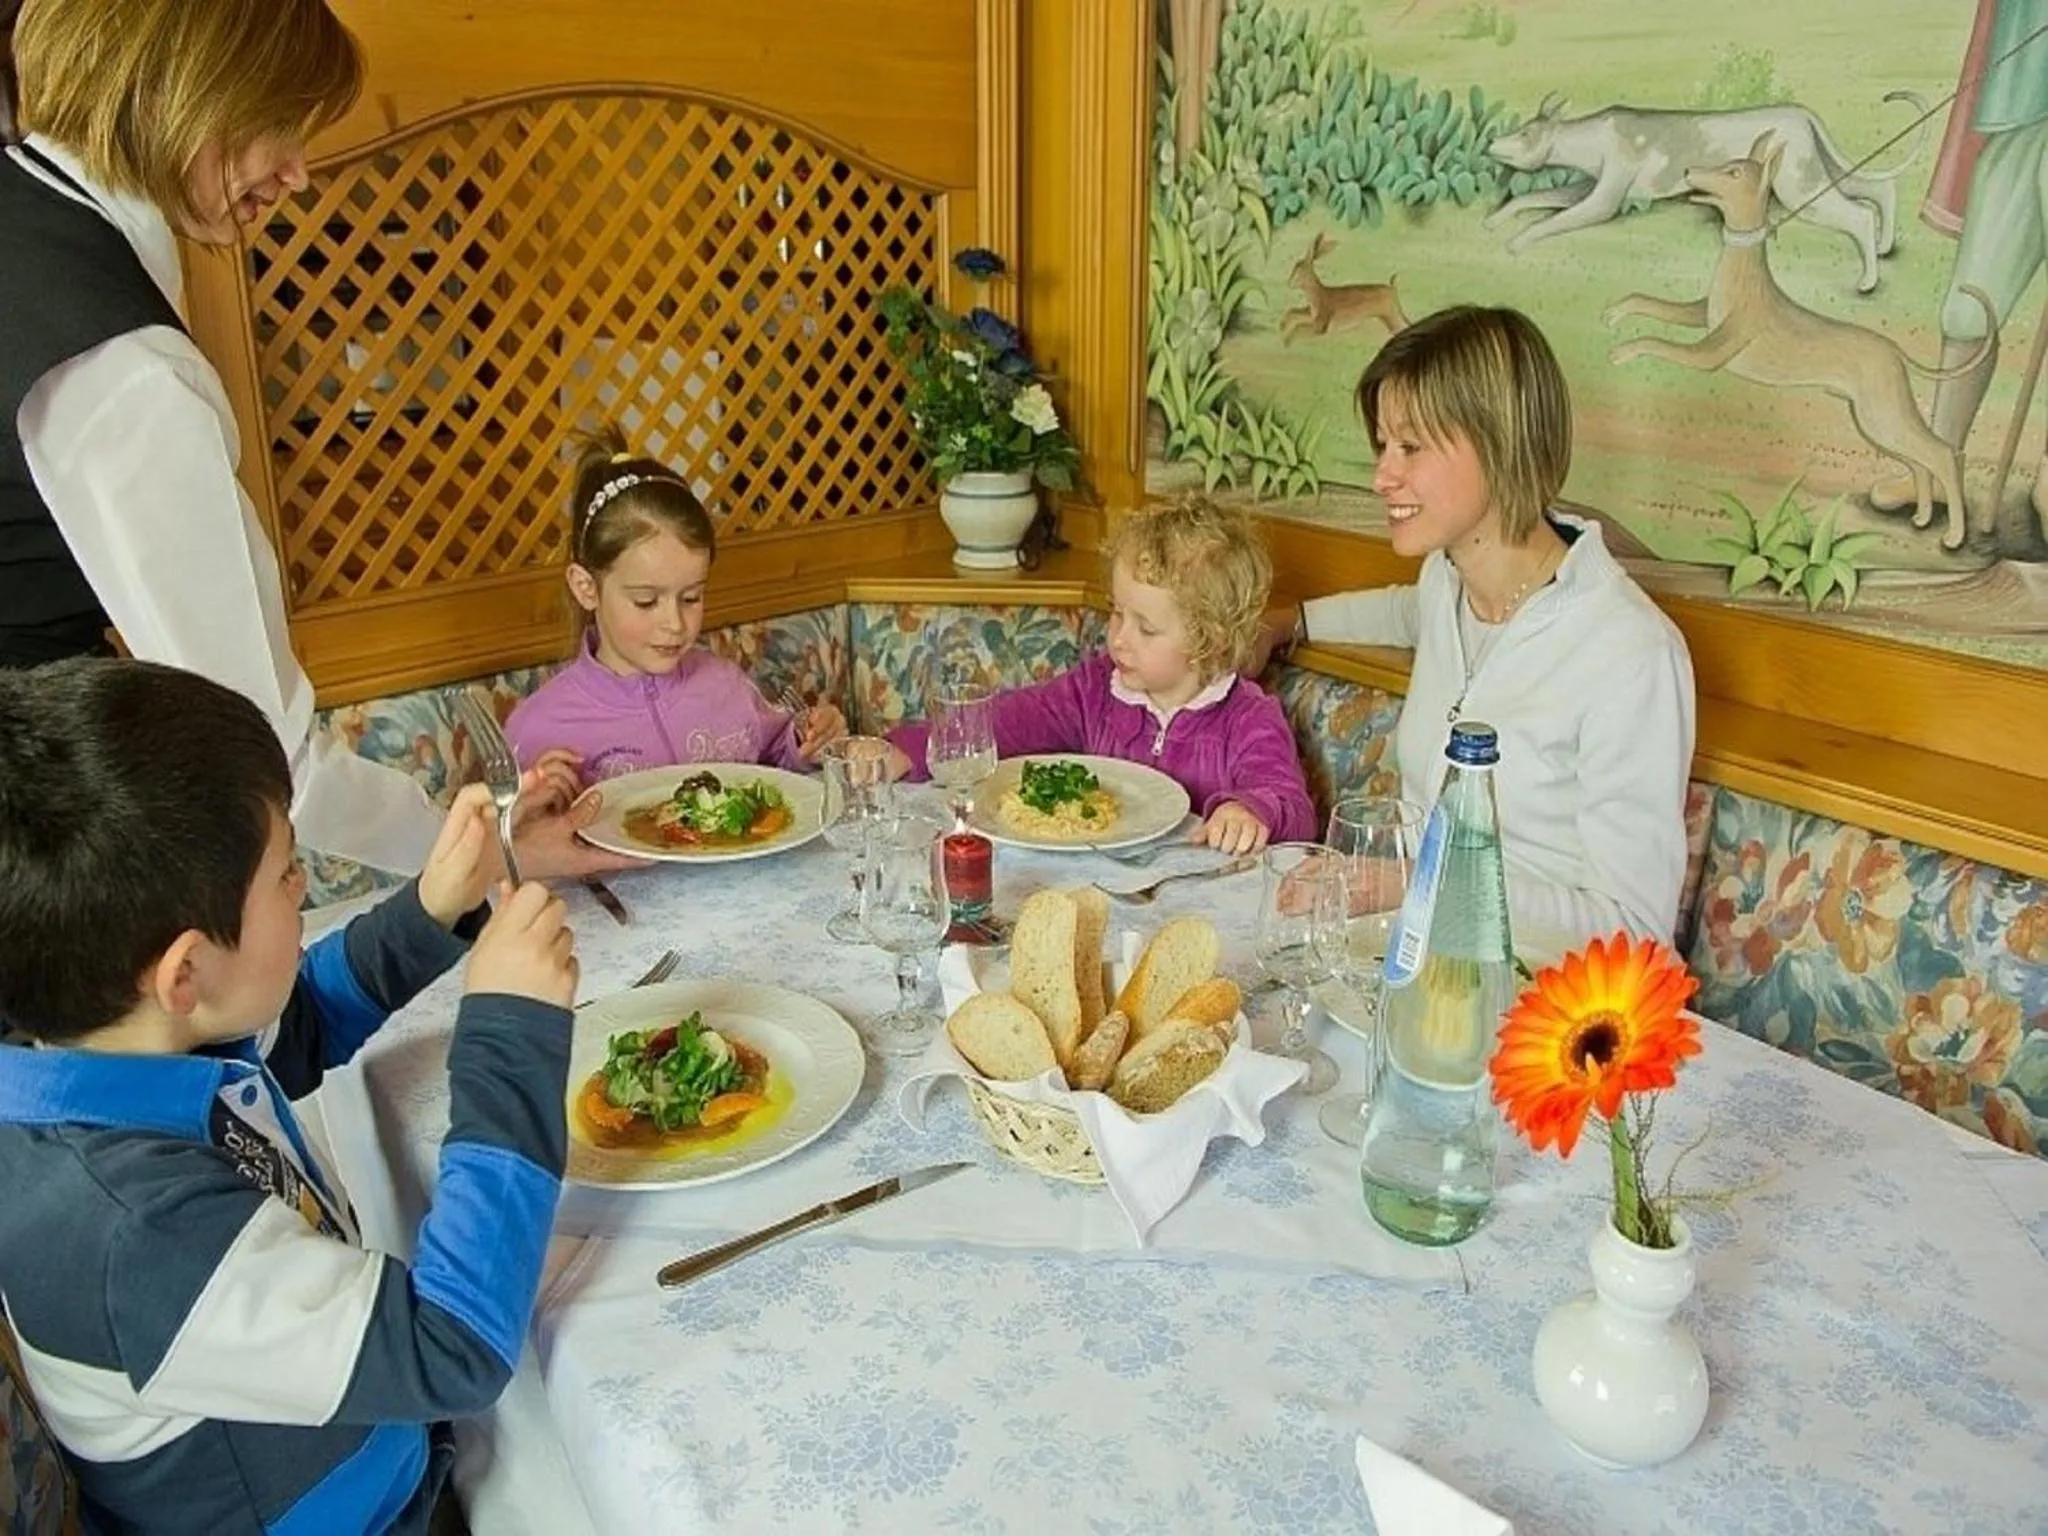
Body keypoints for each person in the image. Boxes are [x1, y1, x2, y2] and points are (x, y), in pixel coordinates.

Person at [0, 0, 626, 882]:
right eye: (280, 123)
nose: (298, 172)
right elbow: (259, 749)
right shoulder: (126, 369)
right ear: (189, 93)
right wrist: (490, 851)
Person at [0, 658, 580, 1534]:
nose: (303, 884)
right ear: (185, 972)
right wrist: (509, 1035)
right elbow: (453, 1348)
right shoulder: (131, 1233)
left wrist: (434, 906)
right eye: (284, 874)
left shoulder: (115, 1042)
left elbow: (295, 1025)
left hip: (387, 1456)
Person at [1267, 305, 1695, 946]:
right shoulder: (1446, 581)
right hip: (1415, 958)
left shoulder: (1633, 653)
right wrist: (1290, 621)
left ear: (1500, 445)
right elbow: (1406, 613)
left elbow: (1635, 932)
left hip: (1544, 993)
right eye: (1383, 445)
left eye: (1411, 447)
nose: (1382, 476)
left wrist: (1416, 883)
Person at [889, 496, 1317, 855]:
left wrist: (1250, 809)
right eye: (1116, 612)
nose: (1119, 638)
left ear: (1212, 640)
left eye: (1146, 628)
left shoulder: (1248, 719)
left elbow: (1293, 806)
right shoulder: (1095, 689)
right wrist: (913, 749)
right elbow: (1009, 722)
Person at [505, 421, 848, 781]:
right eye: (646, 601)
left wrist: (809, 740)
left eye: (691, 597)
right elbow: (503, 813)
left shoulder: (726, 684)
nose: (675, 623)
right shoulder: (539, 728)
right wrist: (530, 805)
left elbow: (778, 757)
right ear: (586, 587)